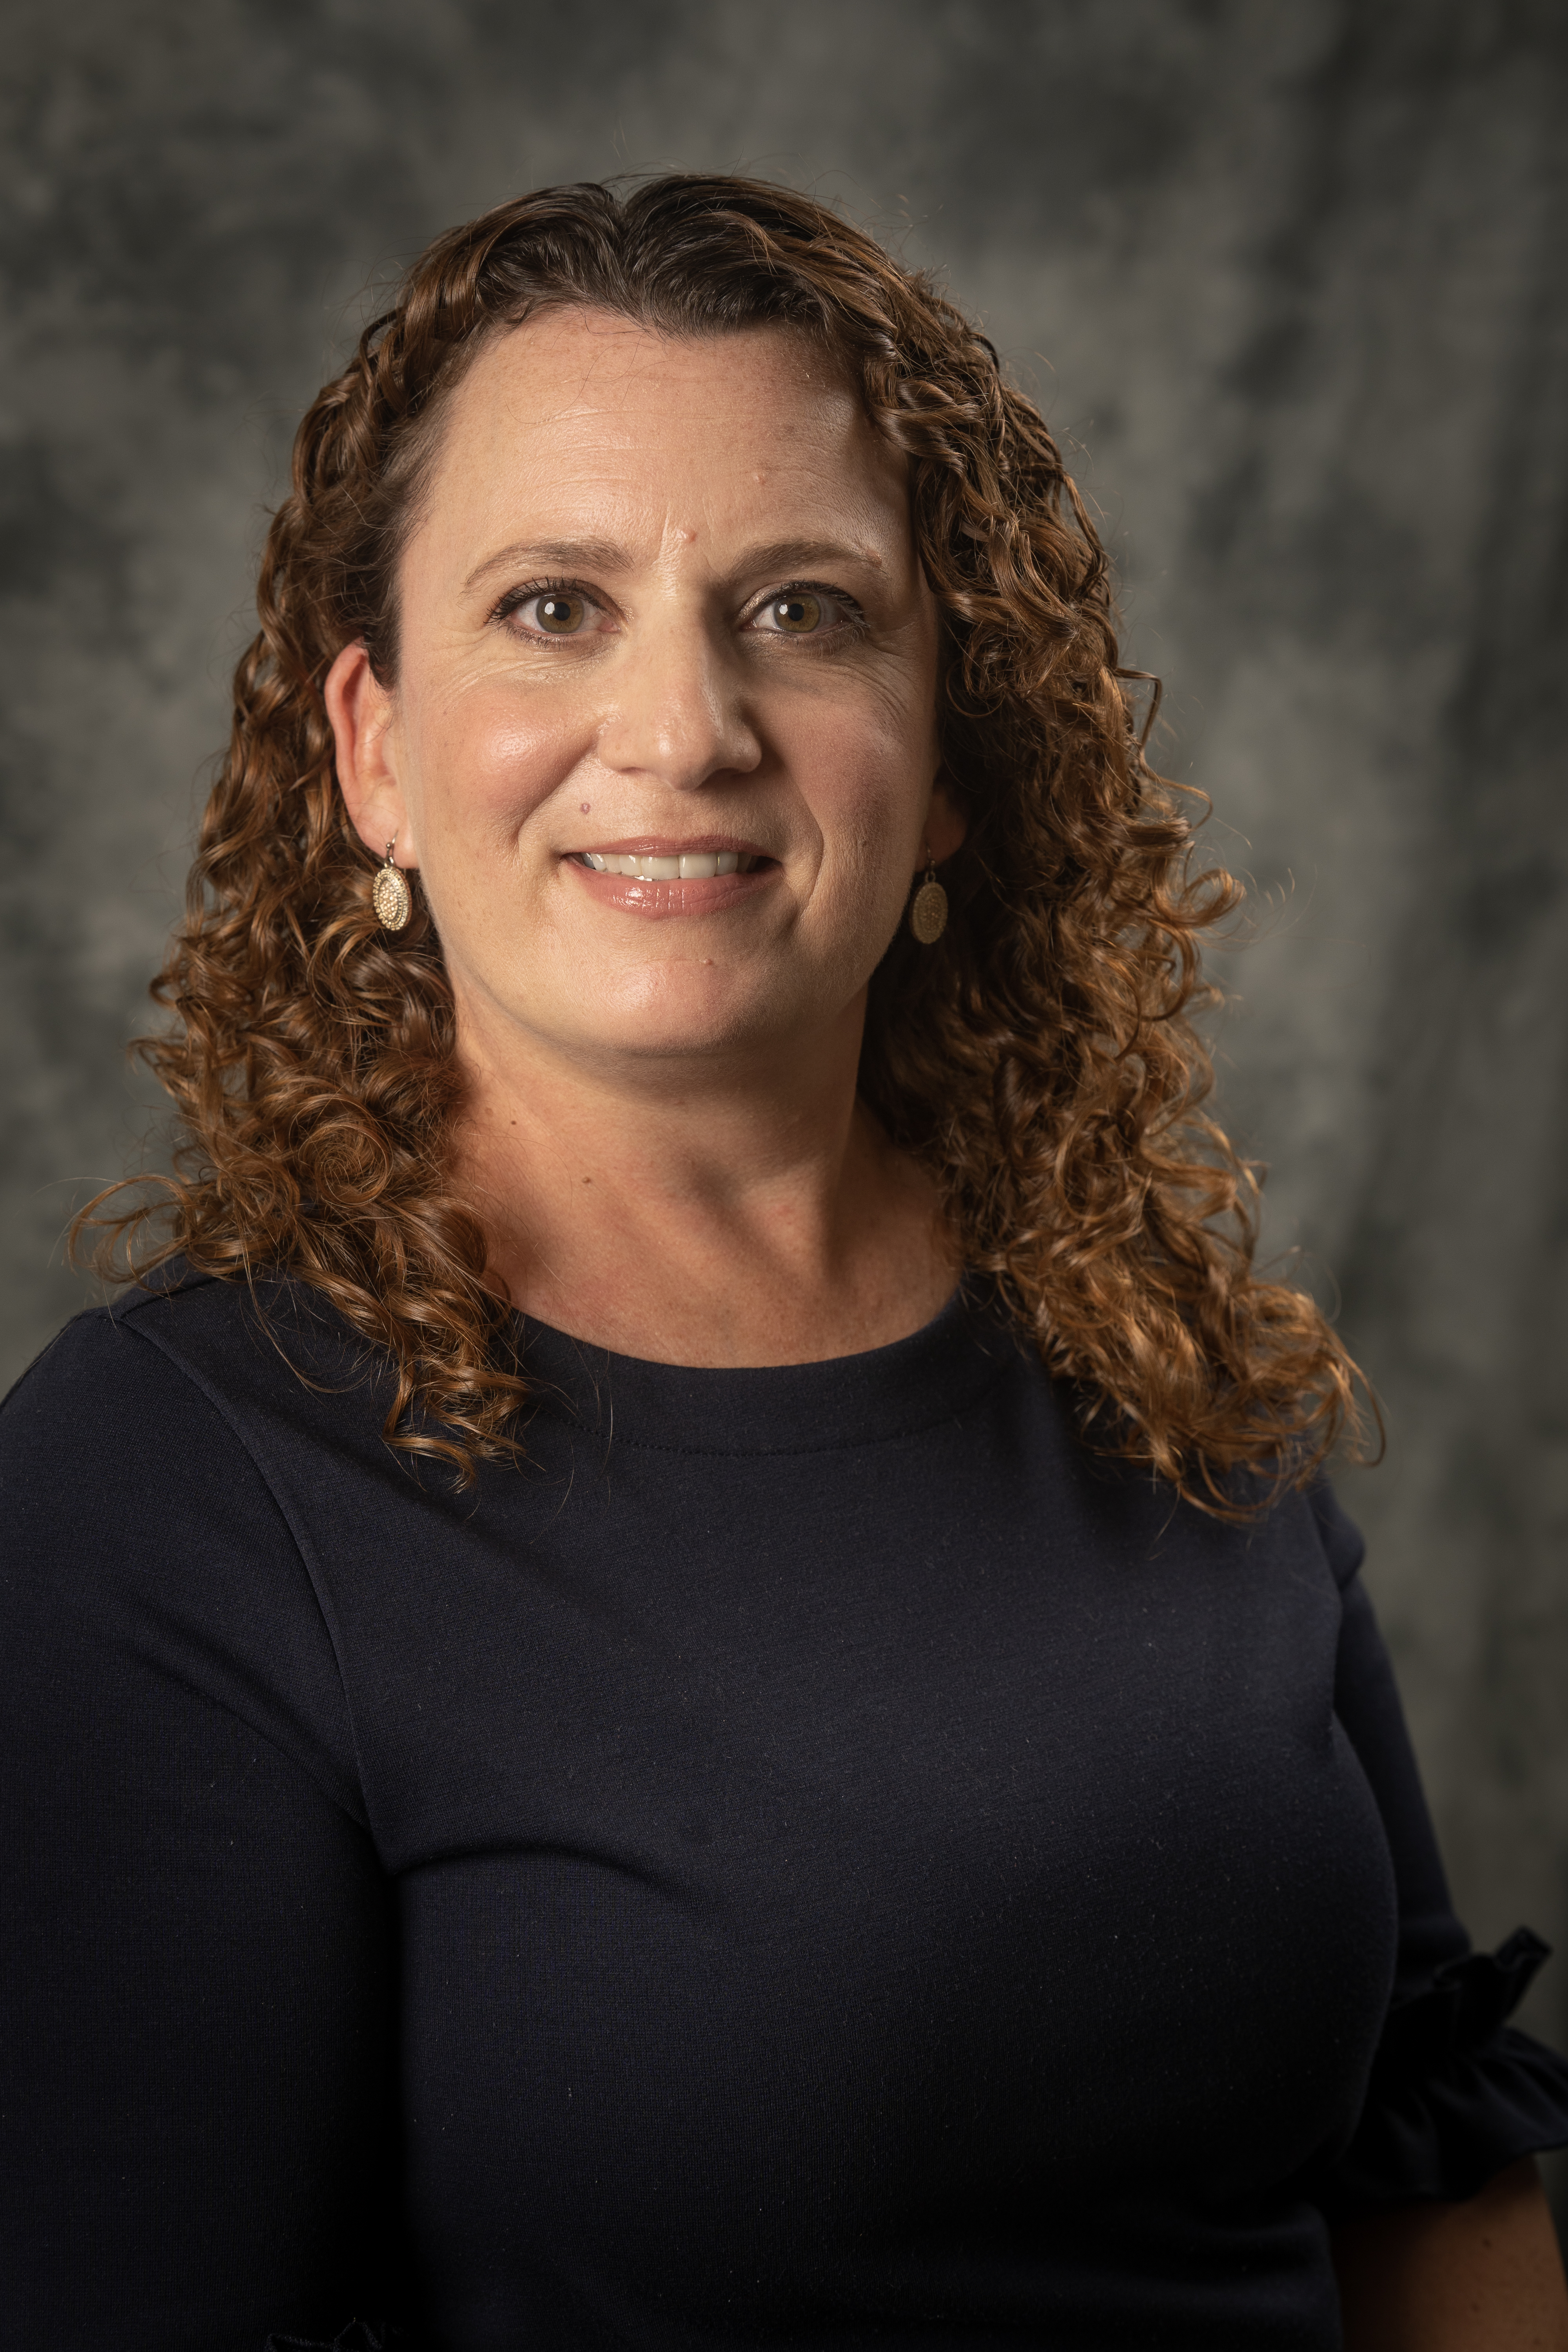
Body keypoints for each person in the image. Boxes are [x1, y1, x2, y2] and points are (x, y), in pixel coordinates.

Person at [3, 174, 1566, 2352]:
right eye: (555, 607)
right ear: (373, 753)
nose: (685, 729)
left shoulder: (1157, 1360)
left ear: (940, 759)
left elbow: (1428, 2183)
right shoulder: (172, 1491)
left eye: (805, 610)